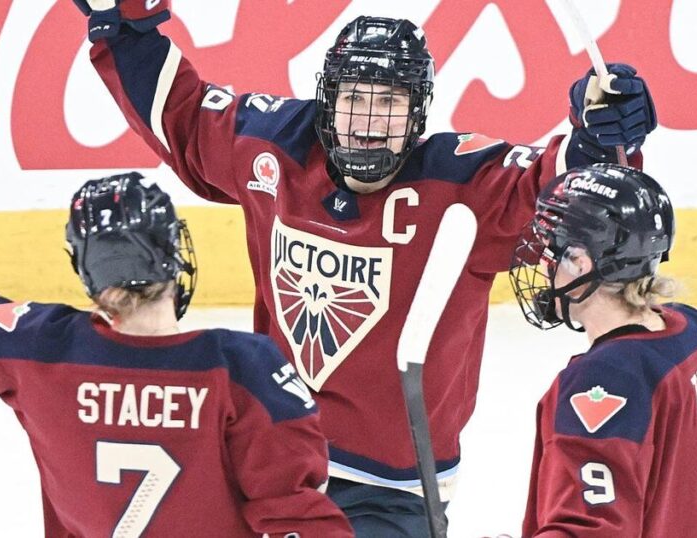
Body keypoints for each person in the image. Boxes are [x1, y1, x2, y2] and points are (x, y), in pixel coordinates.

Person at [71, 2, 657, 534]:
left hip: (391, 488)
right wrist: (127, 28)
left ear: (418, 111)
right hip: (270, 455)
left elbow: (563, 193)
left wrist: (598, 139)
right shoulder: (275, 144)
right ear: (328, 100)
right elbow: (188, 117)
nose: (368, 122)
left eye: (389, 103)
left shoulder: (462, 181)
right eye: (353, 98)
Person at [0, 92, 353, 537]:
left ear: (86, 271)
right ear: (174, 253)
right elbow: (299, 517)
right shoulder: (244, 370)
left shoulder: (37, 348)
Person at [509, 163, 697, 537]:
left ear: (581, 263)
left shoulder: (604, 381)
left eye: (550, 250)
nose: (541, 263)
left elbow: (591, 531)